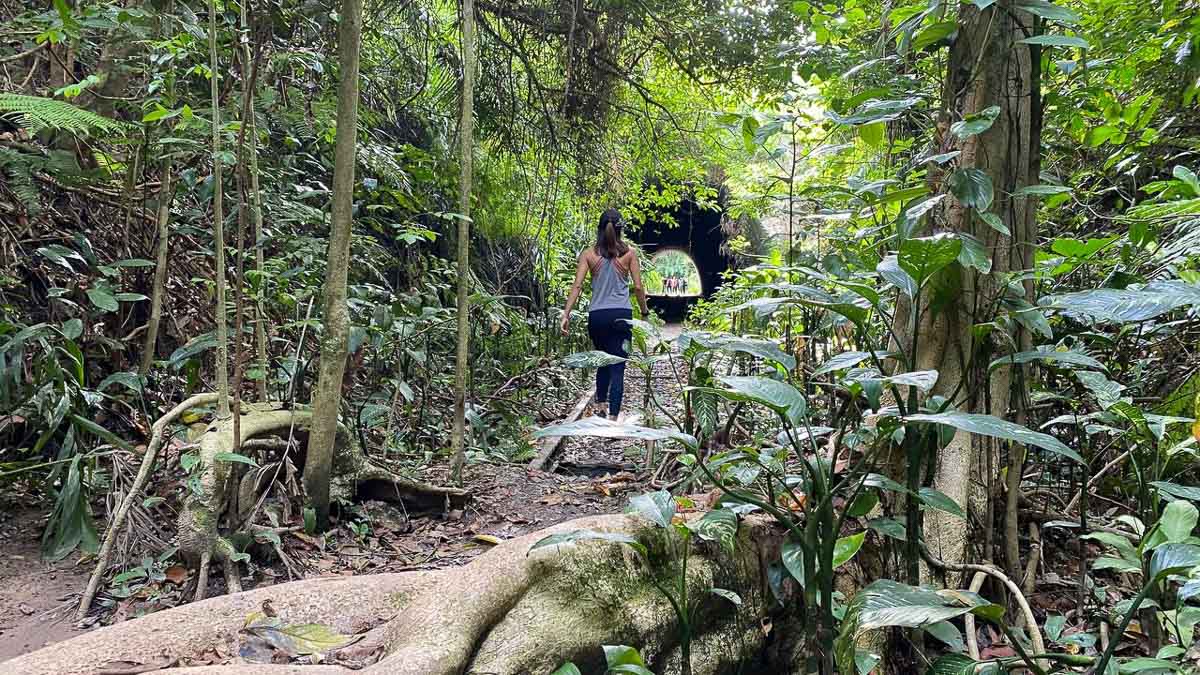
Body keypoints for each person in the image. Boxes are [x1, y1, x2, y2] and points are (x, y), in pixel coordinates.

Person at [560, 208, 649, 421]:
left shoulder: (589, 255)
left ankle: (600, 407)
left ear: (599, 229)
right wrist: (644, 311)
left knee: (602, 361)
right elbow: (637, 287)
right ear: (620, 230)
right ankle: (613, 418)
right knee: (618, 367)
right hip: (621, 315)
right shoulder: (629, 254)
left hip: (597, 316)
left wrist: (566, 314)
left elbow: (577, 286)